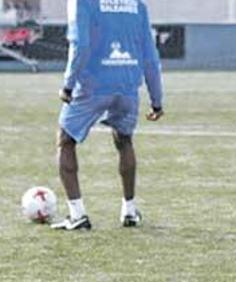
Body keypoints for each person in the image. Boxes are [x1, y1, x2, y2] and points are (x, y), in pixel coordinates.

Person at [51, 0, 164, 231]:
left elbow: (80, 45)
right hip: (127, 84)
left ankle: (77, 214)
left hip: (93, 85)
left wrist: (68, 85)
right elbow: (150, 56)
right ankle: (130, 211)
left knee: (65, 140)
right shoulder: (137, 5)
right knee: (124, 141)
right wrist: (156, 100)